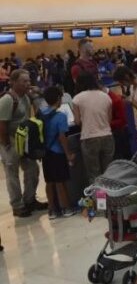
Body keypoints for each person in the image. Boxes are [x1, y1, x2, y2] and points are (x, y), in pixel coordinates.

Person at [0, 69, 48, 218]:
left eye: (28, 80)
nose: (28, 83)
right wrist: (7, 144)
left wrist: (37, 93)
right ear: (13, 82)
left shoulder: (26, 96)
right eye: (24, 81)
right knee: (12, 175)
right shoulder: (7, 100)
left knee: (32, 170)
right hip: (10, 141)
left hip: (25, 141)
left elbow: (39, 109)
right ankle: (18, 205)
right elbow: (1, 125)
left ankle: (30, 199)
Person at [40, 86, 77, 219]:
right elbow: (62, 137)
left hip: (45, 153)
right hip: (57, 152)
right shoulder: (60, 116)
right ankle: (66, 208)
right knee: (61, 181)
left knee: (49, 181)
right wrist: (69, 155)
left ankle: (52, 210)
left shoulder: (41, 113)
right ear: (58, 99)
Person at [72, 72, 114, 183]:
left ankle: (100, 200)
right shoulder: (106, 96)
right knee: (109, 173)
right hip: (107, 136)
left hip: (89, 137)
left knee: (94, 174)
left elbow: (77, 121)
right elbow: (109, 119)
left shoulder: (77, 99)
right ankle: (111, 198)